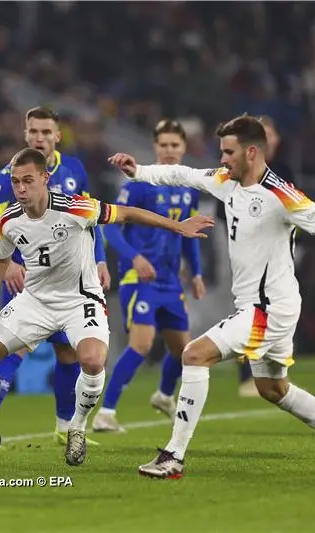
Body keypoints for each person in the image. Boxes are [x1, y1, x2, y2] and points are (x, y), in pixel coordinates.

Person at [108, 114, 315, 479]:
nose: (221, 160)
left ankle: (173, 456)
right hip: (267, 307)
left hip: (267, 309)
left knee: (194, 354)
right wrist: (138, 170)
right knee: (273, 389)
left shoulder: (282, 196)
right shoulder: (226, 181)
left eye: (228, 152)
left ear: (251, 152)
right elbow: (182, 174)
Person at [0, 148, 213, 466]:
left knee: (91, 359)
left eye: (28, 181)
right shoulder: (9, 220)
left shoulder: (76, 207)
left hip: (80, 299)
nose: (20, 189)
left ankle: (77, 426)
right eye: (16, 182)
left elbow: (126, 214)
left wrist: (178, 227)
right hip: (35, 301)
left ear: (45, 179)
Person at [0, 106, 110, 444]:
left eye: (46, 132)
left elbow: (91, 221)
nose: (40, 138)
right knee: (10, 352)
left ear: (58, 136)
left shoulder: (74, 169)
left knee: (68, 354)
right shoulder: (10, 176)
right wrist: (11, 266)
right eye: (34, 131)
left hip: (69, 284)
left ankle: (64, 428)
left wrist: (101, 259)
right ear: (25, 134)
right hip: (26, 281)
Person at [93, 119, 206, 432]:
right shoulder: (139, 185)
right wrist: (135, 257)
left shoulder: (188, 189)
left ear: (183, 148)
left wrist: (196, 273)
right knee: (141, 345)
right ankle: (106, 413)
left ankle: (164, 395)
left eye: (175, 145)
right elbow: (110, 229)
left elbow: (188, 234)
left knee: (185, 352)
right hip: (139, 278)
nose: (170, 151)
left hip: (171, 281)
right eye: (164, 145)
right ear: (155, 147)